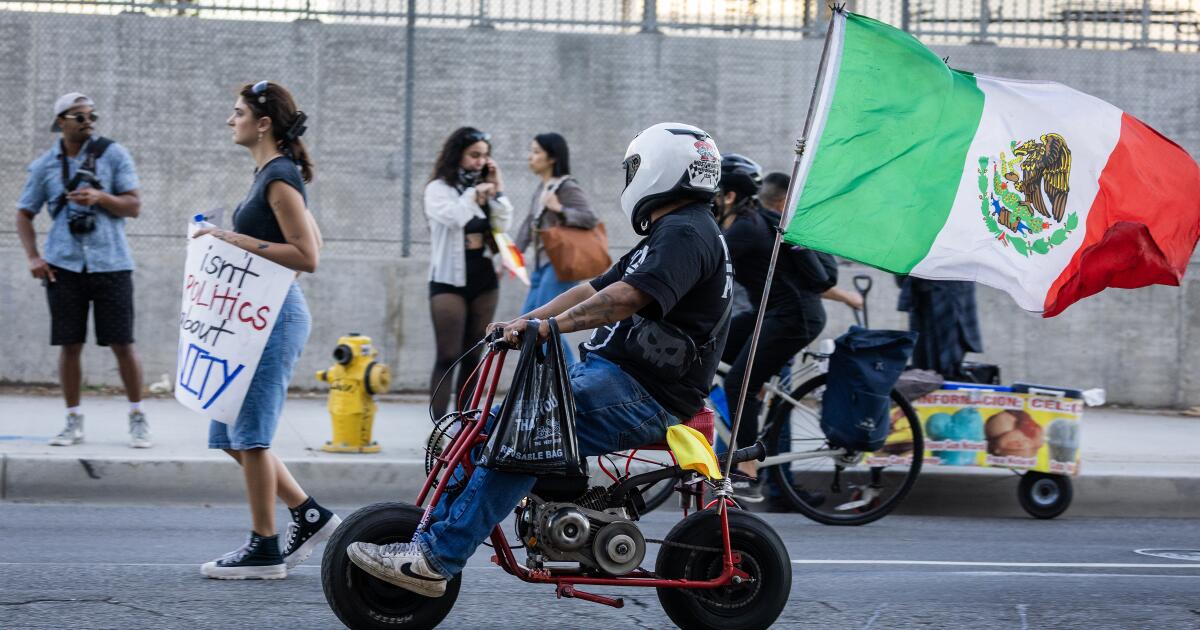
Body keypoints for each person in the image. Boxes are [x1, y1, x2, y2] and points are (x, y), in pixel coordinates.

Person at [346, 122, 733, 597]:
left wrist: (551, 327)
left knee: (525, 432)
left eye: (634, 168)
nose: (630, 178)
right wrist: (522, 321)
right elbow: (592, 288)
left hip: (646, 395)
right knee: (487, 426)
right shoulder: (673, 230)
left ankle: (435, 558)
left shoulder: (688, 234)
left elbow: (625, 297)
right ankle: (425, 540)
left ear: (659, 168)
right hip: (615, 377)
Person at [193, 81, 339, 579]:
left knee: (251, 435)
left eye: (237, 113)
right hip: (258, 314)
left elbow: (309, 254)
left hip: (274, 320)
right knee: (230, 434)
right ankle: (310, 515)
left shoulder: (279, 177)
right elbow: (309, 238)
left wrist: (229, 239)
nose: (229, 120)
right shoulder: (273, 175)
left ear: (263, 124)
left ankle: (264, 548)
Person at [15, 93, 151, 449]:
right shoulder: (44, 165)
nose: (88, 121)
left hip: (112, 263)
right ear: (61, 121)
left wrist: (100, 198)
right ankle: (73, 421)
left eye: (92, 115)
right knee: (69, 344)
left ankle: (138, 417)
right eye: (79, 116)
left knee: (123, 343)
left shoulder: (113, 154)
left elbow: (134, 205)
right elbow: (24, 213)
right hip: (64, 265)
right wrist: (33, 257)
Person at [714, 155, 837, 503]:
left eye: (716, 195)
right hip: (773, 312)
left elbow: (705, 269)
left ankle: (748, 466)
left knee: (740, 383)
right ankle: (750, 420)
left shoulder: (746, 227)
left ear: (731, 197)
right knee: (711, 349)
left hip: (795, 316)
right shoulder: (749, 221)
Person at [425, 127, 513, 418]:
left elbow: (503, 223)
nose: (479, 162)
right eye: (474, 155)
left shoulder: (485, 191)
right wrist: (475, 194)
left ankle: (465, 425)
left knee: (473, 355)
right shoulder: (439, 189)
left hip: (484, 278)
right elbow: (452, 217)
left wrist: (497, 191)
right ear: (457, 155)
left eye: (484, 156)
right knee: (448, 354)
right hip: (448, 280)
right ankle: (439, 427)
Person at [513, 132, 599, 365]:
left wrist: (559, 208)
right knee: (528, 325)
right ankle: (547, 383)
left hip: (559, 265)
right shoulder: (542, 187)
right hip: (542, 267)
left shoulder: (567, 187)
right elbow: (529, 223)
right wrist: (514, 254)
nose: (531, 157)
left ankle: (570, 381)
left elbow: (589, 218)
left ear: (552, 158)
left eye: (536, 152)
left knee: (545, 328)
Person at [760, 171, 863, 311]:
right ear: (784, 203)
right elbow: (817, 280)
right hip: (787, 313)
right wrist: (847, 297)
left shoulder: (756, 226)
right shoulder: (783, 235)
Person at [897, 277, 983, 379]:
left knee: (946, 361)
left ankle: (944, 380)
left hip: (948, 290)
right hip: (922, 294)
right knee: (923, 362)